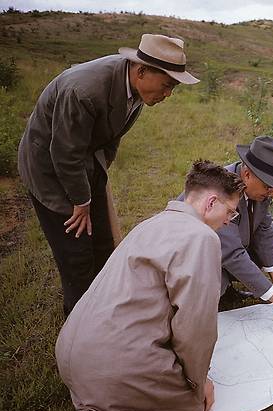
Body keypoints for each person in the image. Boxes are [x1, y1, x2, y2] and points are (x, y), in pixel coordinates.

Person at [55, 160, 243, 411]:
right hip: (113, 368)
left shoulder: (151, 223)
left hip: (71, 355)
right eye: (230, 211)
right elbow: (195, 329)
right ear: (211, 202)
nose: (230, 220)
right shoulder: (203, 237)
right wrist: (198, 382)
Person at [18, 33, 199, 316]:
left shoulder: (138, 90)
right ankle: (77, 330)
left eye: (173, 88)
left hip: (84, 160)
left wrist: (97, 183)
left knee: (103, 247)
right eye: (166, 85)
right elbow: (64, 154)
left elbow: (111, 138)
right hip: (50, 167)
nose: (168, 95)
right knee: (76, 255)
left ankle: (102, 316)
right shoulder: (84, 90)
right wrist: (81, 200)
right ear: (141, 71)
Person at [177, 136, 273, 325]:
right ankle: (215, 291)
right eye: (269, 187)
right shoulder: (222, 192)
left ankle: (228, 285)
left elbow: (263, 228)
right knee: (214, 288)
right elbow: (232, 253)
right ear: (247, 174)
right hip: (190, 258)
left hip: (223, 247)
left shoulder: (261, 184)